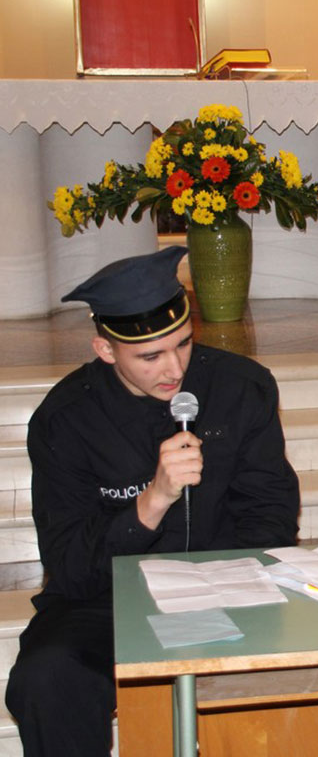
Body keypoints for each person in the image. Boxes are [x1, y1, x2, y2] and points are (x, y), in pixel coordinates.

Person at [6, 246, 301, 757]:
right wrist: (151, 503)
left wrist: (221, 584)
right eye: (150, 357)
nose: (174, 369)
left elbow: (270, 514)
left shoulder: (240, 387)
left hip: (225, 584)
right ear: (105, 350)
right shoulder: (67, 419)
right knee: (47, 676)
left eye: (183, 344)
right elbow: (70, 566)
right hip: (108, 598)